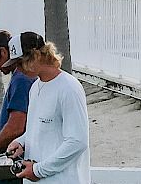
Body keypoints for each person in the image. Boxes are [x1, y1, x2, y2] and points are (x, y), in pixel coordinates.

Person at [7, 42, 90, 183]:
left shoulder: (69, 88)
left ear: (37, 55)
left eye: (21, 63)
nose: (18, 69)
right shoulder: (35, 87)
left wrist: (38, 170)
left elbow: (77, 141)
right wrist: (21, 142)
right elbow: (39, 127)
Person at [0, 31, 45, 184]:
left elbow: (16, 126)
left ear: (4, 52)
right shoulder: (19, 75)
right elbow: (13, 110)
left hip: (19, 162)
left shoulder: (22, 79)